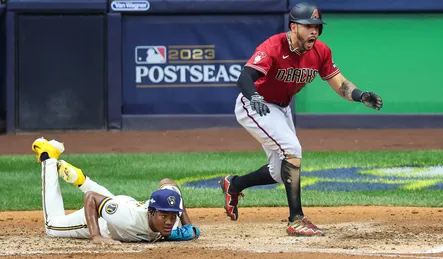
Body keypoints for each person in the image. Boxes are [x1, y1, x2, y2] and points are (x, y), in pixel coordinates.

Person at [219, 2, 383, 236]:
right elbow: (245, 76)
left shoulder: (321, 51)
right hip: (255, 105)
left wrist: (360, 95)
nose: (314, 31)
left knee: (279, 172)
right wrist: (253, 96)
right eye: (308, 26)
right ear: (294, 27)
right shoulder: (274, 46)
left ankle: (234, 184)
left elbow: (339, 83)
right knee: (293, 150)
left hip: (281, 109)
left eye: (317, 26)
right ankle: (296, 219)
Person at [32, 137, 200, 244]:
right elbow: (91, 198)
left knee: (112, 203)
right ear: (152, 212)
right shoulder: (128, 221)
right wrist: (96, 235)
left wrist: (187, 224)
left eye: (173, 216)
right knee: (52, 226)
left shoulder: (170, 217)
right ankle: (49, 157)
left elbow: (168, 183)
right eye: (164, 216)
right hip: (106, 220)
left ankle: (82, 180)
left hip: (122, 204)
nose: (170, 222)